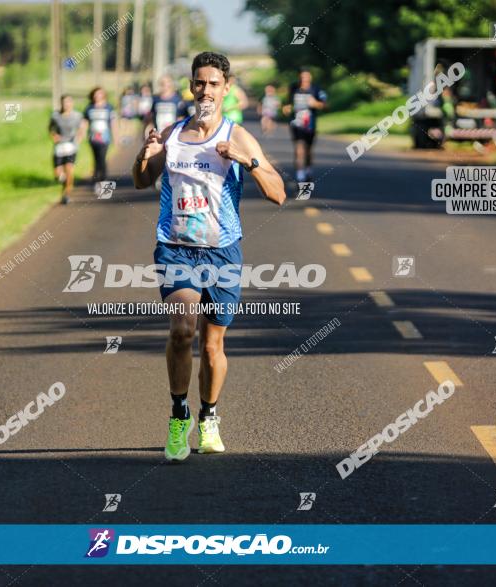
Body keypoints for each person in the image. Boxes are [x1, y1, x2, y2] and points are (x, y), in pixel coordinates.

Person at [131, 51, 286, 461]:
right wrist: (144, 154)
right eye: (199, 83)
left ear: (226, 88)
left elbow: (279, 193)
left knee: (213, 346)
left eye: (214, 83)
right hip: (175, 247)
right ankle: (179, 414)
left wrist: (246, 161)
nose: (205, 90)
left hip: (222, 253)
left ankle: (209, 416)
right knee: (183, 329)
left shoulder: (237, 135)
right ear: (190, 87)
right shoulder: (172, 133)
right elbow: (142, 180)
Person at [283, 68, 327, 182]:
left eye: (306, 77)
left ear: (310, 78)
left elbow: (325, 105)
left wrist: (315, 103)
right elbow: (287, 103)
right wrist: (286, 109)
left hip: (310, 126)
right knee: (299, 148)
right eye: (302, 77)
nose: (304, 80)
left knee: (308, 150)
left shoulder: (316, 89)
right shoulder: (294, 88)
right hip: (296, 124)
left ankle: (308, 169)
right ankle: (300, 176)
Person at [48, 95, 84, 204]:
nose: (66, 105)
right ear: (61, 103)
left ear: (72, 103)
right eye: (64, 102)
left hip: (71, 147)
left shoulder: (77, 115)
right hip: (59, 147)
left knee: (69, 171)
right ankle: (65, 184)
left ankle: (66, 194)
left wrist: (78, 138)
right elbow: (50, 128)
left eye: (68, 102)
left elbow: (81, 128)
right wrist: (53, 136)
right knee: (58, 175)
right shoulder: (55, 115)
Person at [81, 87, 119, 187]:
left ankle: (103, 180)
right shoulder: (89, 108)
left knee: (102, 158)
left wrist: (116, 138)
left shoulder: (109, 107)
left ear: (104, 95)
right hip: (93, 138)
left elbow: (113, 123)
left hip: (104, 138)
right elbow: (85, 122)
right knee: (96, 159)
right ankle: (96, 179)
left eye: (99, 94)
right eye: (95, 94)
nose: (97, 96)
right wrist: (82, 134)